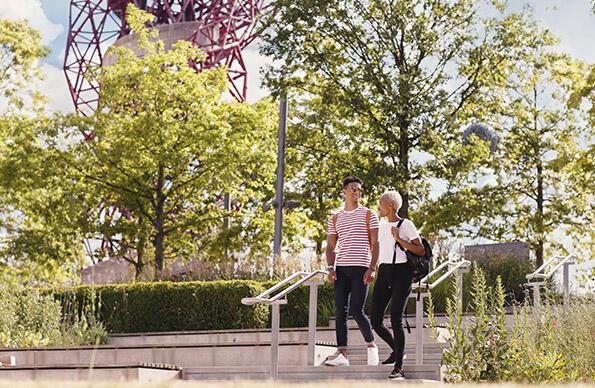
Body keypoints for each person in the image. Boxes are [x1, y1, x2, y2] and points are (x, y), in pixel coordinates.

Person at [323, 176, 380, 366]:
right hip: (342, 268)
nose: (356, 192)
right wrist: (330, 268)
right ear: (344, 191)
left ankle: (371, 346)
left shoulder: (368, 214)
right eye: (353, 189)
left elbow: (375, 243)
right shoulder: (336, 217)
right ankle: (342, 354)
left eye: (359, 190)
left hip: (361, 267)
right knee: (340, 311)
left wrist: (372, 268)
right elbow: (331, 247)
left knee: (357, 310)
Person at [370, 190, 425, 380]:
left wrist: (399, 239)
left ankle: (399, 367)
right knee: (375, 320)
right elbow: (377, 249)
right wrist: (371, 268)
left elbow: (420, 250)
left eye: (381, 204)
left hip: (402, 272)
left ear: (391, 205)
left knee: (395, 318)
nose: (379, 207)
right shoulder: (381, 226)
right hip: (384, 272)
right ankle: (397, 350)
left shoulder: (406, 224)